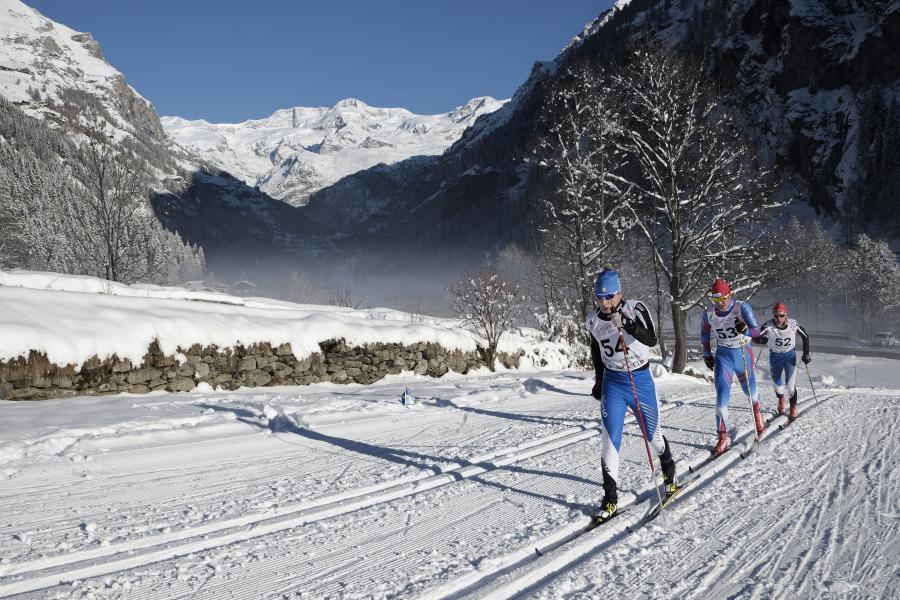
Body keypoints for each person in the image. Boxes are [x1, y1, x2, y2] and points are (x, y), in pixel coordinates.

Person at [586, 268, 677, 523]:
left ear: (620, 293)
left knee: (654, 437)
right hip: (614, 384)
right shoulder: (593, 320)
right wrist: (599, 378)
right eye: (600, 297)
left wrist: (628, 325)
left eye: (610, 297)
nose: (604, 303)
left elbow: (651, 339)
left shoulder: (636, 308)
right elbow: (596, 349)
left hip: (640, 381)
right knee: (609, 440)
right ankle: (610, 499)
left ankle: (670, 472)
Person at [700, 278, 765, 456]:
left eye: (723, 299)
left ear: (730, 294)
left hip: (743, 353)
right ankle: (722, 438)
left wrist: (744, 329)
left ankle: (757, 415)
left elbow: (757, 331)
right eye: (715, 300)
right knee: (722, 395)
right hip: (724, 356)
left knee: (749, 392)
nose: (720, 304)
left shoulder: (741, 307)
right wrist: (707, 354)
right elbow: (705, 334)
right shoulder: (708, 313)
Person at [753, 302, 810, 420]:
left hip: (789, 357)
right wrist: (760, 340)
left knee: (790, 386)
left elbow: (805, 337)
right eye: (776, 316)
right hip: (775, 357)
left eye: (781, 316)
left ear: (785, 315)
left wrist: (806, 354)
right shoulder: (768, 326)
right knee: (778, 387)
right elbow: (755, 337)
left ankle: (793, 407)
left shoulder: (793, 324)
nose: (778, 319)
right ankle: (781, 400)